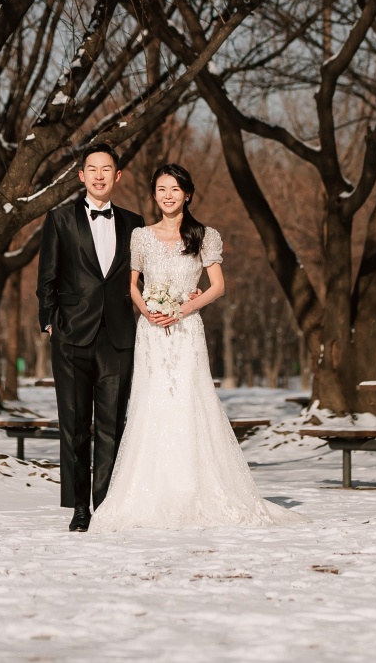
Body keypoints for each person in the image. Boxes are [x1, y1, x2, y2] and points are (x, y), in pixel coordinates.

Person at [91, 163, 301, 530]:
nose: (167, 195)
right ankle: (147, 493)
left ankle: (195, 488)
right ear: (154, 194)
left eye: (174, 189)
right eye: (160, 189)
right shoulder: (140, 236)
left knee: (190, 401)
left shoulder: (205, 236)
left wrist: (183, 308)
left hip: (187, 331)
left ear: (187, 193)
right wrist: (150, 312)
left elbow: (218, 285)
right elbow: (132, 284)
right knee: (150, 403)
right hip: (152, 333)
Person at [36, 141, 142, 532]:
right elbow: (46, 276)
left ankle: (107, 506)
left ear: (118, 176)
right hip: (71, 337)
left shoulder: (135, 224)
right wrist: (49, 322)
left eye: (106, 169)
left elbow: (144, 279)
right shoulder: (60, 219)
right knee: (75, 426)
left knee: (113, 426)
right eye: (91, 169)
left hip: (118, 337)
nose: (99, 175)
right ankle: (81, 508)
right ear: (81, 176)